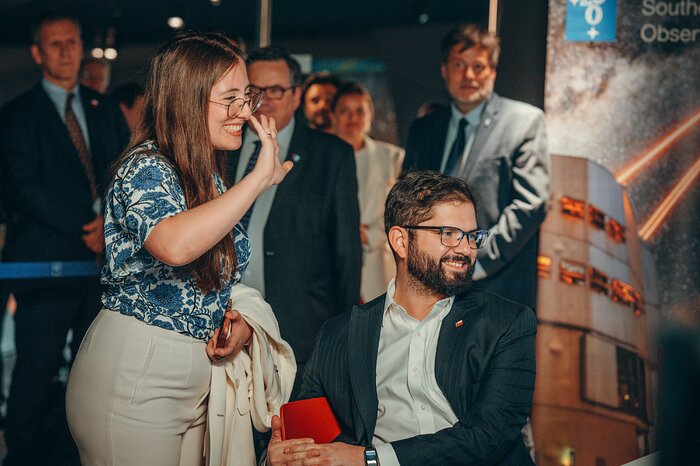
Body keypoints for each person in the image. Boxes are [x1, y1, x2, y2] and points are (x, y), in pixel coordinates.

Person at [64, 32, 294, 466]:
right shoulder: (145, 166)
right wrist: (257, 180)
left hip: (193, 382)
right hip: (136, 374)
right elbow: (174, 244)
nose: (245, 111)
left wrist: (240, 325)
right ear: (187, 101)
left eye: (246, 95)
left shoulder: (208, 177)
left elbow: (216, 279)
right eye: (231, 98)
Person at [267, 170, 537, 466]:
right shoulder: (339, 335)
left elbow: (488, 437)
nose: (465, 249)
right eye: (448, 234)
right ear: (400, 241)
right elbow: (309, 437)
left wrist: (369, 460)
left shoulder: (507, 324)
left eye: (473, 236)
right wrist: (286, 457)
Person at [0, 10, 130, 465]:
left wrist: (108, 223)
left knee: (93, 374)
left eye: (72, 42)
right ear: (37, 53)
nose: (66, 51)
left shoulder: (103, 107)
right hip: (45, 268)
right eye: (55, 44)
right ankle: (21, 455)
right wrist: (87, 224)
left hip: (100, 270)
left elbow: (122, 169)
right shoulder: (17, 115)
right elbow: (23, 186)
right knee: (36, 371)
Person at [226, 46, 361, 396]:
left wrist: (342, 335)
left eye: (277, 90)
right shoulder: (222, 149)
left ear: (297, 95)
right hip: (225, 322)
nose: (265, 99)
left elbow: (346, 251)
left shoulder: (331, 155)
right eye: (254, 91)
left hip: (300, 329)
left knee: (294, 442)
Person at [404, 23, 550, 310]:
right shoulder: (424, 128)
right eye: (459, 64)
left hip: (494, 285)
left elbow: (531, 204)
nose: (469, 75)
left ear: (493, 72)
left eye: (478, 66)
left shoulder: (524, 122)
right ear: (445, 70)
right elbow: (409, 199)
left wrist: (473, 259)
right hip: (428, 285)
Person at [331, 82, 404, 301]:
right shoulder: (322, 159)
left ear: (370, 114)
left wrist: (368, 234)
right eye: (344, 111)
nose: (351, 118)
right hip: (332, 264)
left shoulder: (393, 158)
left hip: (379, 264)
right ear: (333, 115)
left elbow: (403, 213)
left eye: (359, 111)